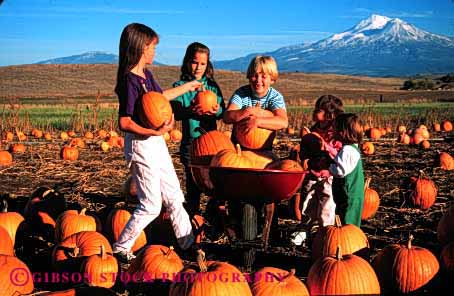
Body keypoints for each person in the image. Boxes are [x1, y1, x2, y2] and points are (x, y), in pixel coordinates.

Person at [113, 23, 203, 263]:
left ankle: (187, 244)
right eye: (153, 47)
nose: (155, 52)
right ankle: (120, 247)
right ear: (142, 47)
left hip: (155, 142)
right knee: (152, 204)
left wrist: (188, 87)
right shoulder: (129, 80)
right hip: (140, 145)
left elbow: (160, 100)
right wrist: (154, 131)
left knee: (174, 195)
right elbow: (124, 122)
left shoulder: (147, 76)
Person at [223, 55, 288, 239]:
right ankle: (234, 218)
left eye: (263, 76)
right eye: (254, 75)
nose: (258, 80)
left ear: (272, 78)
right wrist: (247, 111)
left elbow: (282, 121)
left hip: (264, 153)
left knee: (271, 189)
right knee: (234, 187)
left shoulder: (275, 96)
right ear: (249, 76)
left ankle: (270, 227)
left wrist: (258, 121)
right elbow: (227, 117)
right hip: (239, 152)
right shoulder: (242, 94)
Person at [171, 42, 225, 217]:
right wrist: (190, 111)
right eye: (195, 62)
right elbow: (176, 112)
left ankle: (214, 215)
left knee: (215, 181)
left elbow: (222, 111)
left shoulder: (212, 86)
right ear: (188, 62)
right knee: (193, 182)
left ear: (207, 64)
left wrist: (217, 110)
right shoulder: (180, 86)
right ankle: (192, 215)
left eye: (202, 63)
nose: (198, 67)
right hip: (191, 142)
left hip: (213, 142)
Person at [299, 95, 344, 227]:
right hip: (312, 172)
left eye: (318, 110)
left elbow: (338, 154)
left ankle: (326, 230)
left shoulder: (335, 133)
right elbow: (306, 149)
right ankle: (306, 228)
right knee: (308, 201)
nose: (314, 112)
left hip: (328, 175)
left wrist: (324, 145)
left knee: (327, 203)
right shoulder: (313, 130)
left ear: (330, 115)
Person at [329, 113, 365, 227]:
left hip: (349, 195)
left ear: (342, 132)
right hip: (350, 195)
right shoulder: (351, 148)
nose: (332, 131)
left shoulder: (347, 150)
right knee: (345, 219)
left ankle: (350, 243)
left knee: (348, 222)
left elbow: (340, 171)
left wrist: (328, 166)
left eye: (334, 128)